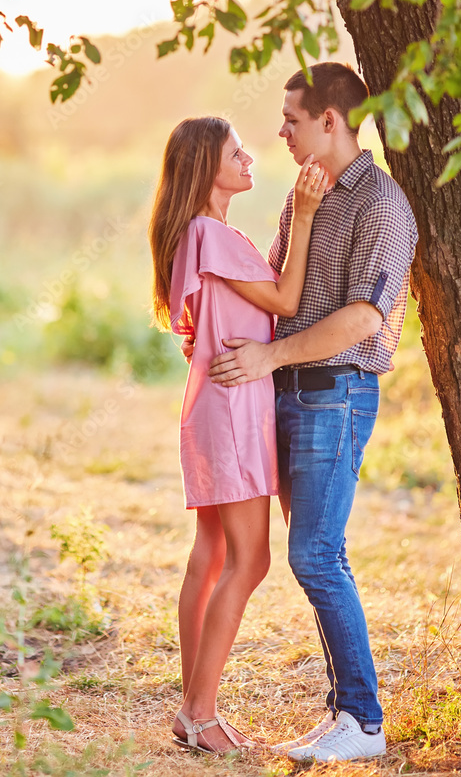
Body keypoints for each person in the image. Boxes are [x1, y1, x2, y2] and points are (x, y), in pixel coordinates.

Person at [208, 63, 418, 763]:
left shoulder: (380, 204)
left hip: (336, 394)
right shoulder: (303, 195)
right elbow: (274, 290)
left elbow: (363, 318)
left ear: (330, 121)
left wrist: (269, 357)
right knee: (319, 554)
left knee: (315, 555)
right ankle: (343, 713)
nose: (280, 132)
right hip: (290, 395)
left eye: (291, 119)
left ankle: (363, 720)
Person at [148, 116, 327, 754]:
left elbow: (208, 321)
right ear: (207, 167)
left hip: (218, 403)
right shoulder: (210, 233)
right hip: (231, 408)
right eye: (236, 153)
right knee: (250, 560)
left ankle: (193, 710)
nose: (249, 159)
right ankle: (199, 713)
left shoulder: (202, 234)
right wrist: (305, 215)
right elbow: (285, 301)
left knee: (213, 551)